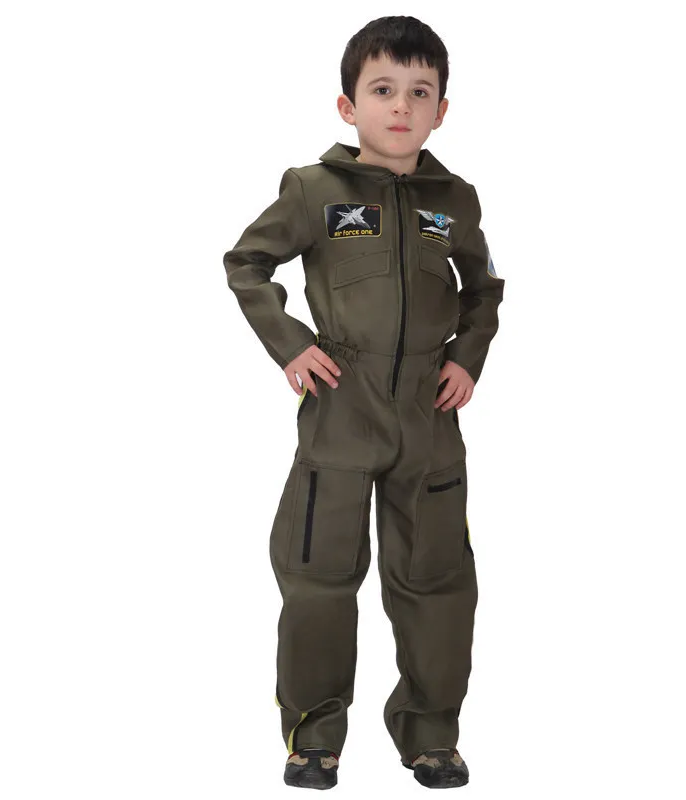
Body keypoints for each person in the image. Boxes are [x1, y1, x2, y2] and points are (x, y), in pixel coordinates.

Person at [222, 15, 504, 791]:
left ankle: (431, 733)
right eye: (383, 90)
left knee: (437, 581)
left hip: (428, 414)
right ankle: (313, 735)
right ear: (349, 106)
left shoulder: (456, 199)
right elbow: (247, 262)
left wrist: (466, 358)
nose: (401, 106)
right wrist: (291, 344)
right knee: (317, 577)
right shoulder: (313, 190)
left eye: (420, 92)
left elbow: (484, 288)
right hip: (341, 407)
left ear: (442, 110)